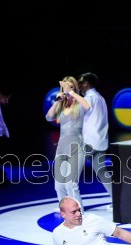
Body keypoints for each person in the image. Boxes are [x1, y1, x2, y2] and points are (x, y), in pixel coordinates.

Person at [45, 76, 89, 212]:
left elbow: (87, 106)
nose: (67, 88)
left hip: (77, 146)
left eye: (70, 86)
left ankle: (78, 211)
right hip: (62, 147)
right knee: (59, 185)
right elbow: (48, 117)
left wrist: (71, 92)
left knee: (71, 184)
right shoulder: (61, 104)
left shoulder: (79, 105)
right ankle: (65, 210)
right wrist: (57, 101)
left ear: (74, 88)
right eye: (65, 86)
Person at [78, 72, 113, 210]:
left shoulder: (90, 98)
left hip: (89, 142)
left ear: (86, 84)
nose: (79, 85)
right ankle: (117, 201)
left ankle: (73, 205)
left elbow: (77, 113)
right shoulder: (100, 97)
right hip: (100, 141)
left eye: (81, 83)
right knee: (102, 172)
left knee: (71, 171)